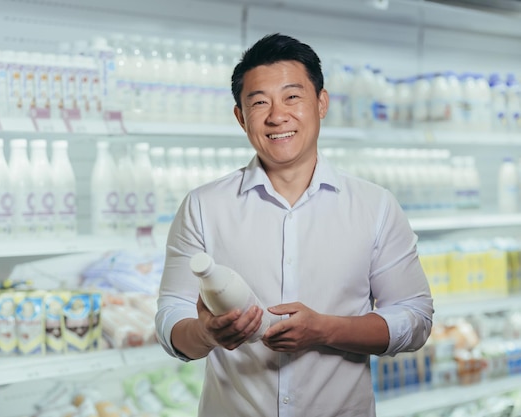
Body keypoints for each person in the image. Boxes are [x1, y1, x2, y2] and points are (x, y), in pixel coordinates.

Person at [155, 33, 434, 417]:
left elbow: (415, 318)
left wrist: (326, 330)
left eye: (292, 97)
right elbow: (171, 317)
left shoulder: (375, 206)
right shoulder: (203, 206)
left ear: (321, 103)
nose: (276, 115)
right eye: (258, 102)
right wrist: (205, 334)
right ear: (240, 117)